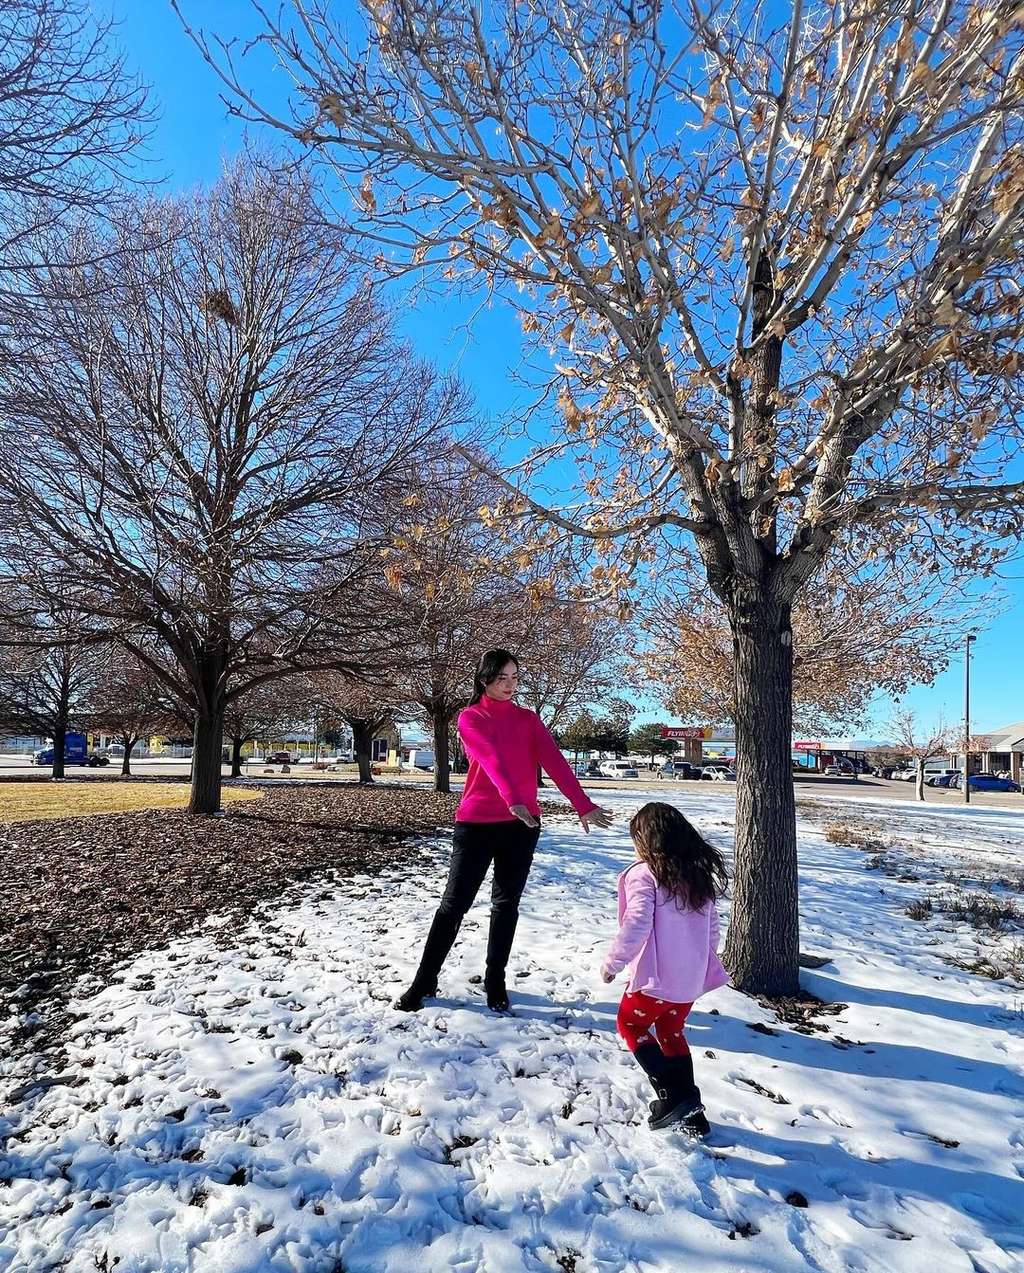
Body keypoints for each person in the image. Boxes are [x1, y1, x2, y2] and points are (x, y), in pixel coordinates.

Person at [395, 648, 613, 1014]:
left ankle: (496, 978)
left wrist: (582, 803)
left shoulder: (528, 720)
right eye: (502, 678)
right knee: (454, 905)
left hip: (522, 826)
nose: (510, 685)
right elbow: (490, 759)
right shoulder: (471, 717)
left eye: (515, 677)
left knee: (506, 904)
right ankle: (424, 979)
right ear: (485, 680)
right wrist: (513, 797)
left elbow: (555, 762)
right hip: (477, 823)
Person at [601, 802, 729, 1135]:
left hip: (657, 982)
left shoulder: (644, 874)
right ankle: (694, 1112)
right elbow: (713, 928)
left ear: (646, 840)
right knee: (671, 1033)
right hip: (689, 983)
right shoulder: (695, 874)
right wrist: (701, 960)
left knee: (629, 1024)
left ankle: (670, 1095)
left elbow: (637, 922)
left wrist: (613, 961)